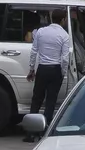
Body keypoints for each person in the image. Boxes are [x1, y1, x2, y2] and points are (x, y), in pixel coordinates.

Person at [25, 10, 72, 140]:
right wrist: (62, 73)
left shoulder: (41, 32)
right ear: (63, 20)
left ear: (52, 18)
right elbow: (65, 58)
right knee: (50, 101)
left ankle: (30, 133)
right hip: (55, 69)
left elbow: (34, 51)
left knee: (36, 100)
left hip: (42, 68)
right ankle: (44, 132)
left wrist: (31, 69)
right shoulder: (64, 35)